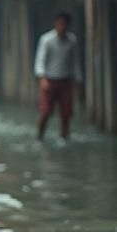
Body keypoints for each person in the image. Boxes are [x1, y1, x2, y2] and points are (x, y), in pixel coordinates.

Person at [34, 11, 83, 140]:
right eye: (59, 24)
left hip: (66, 80)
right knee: (45, 111)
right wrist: (42, 78)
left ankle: (64, 138)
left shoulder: (72, 41)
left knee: (66, 114)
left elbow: (75, 62)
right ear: (55, 24)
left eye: (64, 25)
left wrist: (78, 81)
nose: (62, 27)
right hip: (50, 80)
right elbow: (40, 60)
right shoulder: (46, 40)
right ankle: (39, 136)